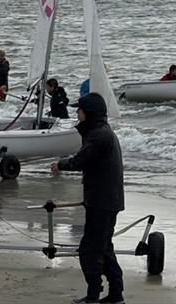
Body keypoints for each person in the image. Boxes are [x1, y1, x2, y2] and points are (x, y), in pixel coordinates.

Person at [51, 93, 125, 304]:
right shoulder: (101, 131)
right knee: (104, 247)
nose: (77, 113)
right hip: (107, 200)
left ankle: (93, 296)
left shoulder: (99, 136)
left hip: (103, 202)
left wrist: (61, 164)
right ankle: (116, 295)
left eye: (80, 110)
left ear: (89, 113)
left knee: (90, 250)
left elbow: (81, 160)